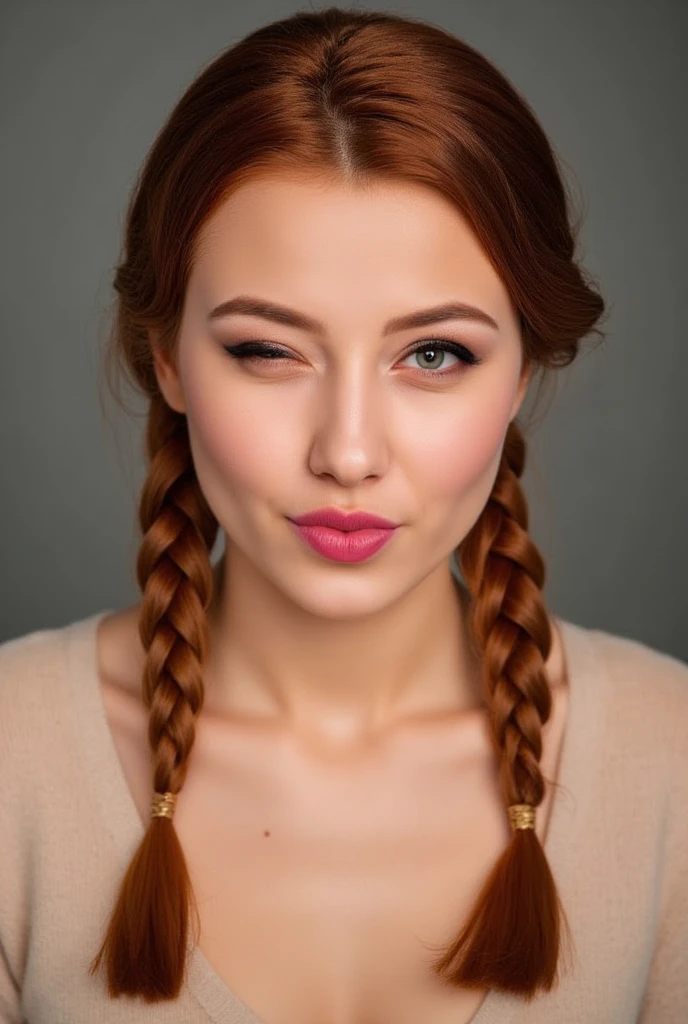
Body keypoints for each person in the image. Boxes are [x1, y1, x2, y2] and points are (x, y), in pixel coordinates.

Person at [1, 7, 686, 1023]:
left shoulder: (670, 760)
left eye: (435, 354)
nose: (348, 452)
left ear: (521, 374)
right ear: (165, 358)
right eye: (267, 351)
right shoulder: (12, 761)